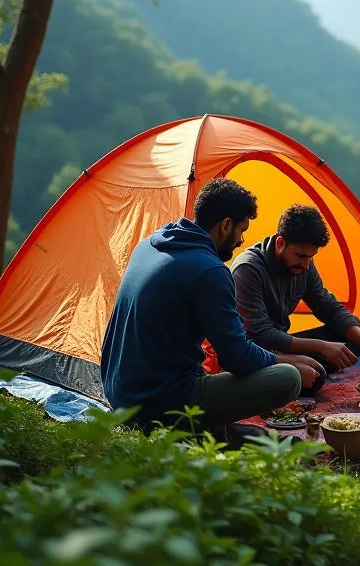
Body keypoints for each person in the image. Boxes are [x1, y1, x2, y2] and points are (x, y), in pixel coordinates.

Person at [100, 178, 302, 439]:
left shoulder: (150, 244)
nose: (242, 240)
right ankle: (197, 432)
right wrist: (286, 360)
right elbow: (236, 357)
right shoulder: (209, 270)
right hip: (153, 403)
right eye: (241, 230)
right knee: (288, 378)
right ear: (226, 225)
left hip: (118, 392)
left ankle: (216, 430)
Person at [230, 203, 360, 390]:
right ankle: (297, 370)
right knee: (313, 377)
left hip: (282, 342)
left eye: (311, 256)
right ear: (280, 243)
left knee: (346, 340)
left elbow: (330, 309)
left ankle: (304, 367)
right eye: (300, 256)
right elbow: (262, 334)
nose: (306, 265)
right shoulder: (248, 269)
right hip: (255, 352)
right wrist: (321, 347)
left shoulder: (304, 265)